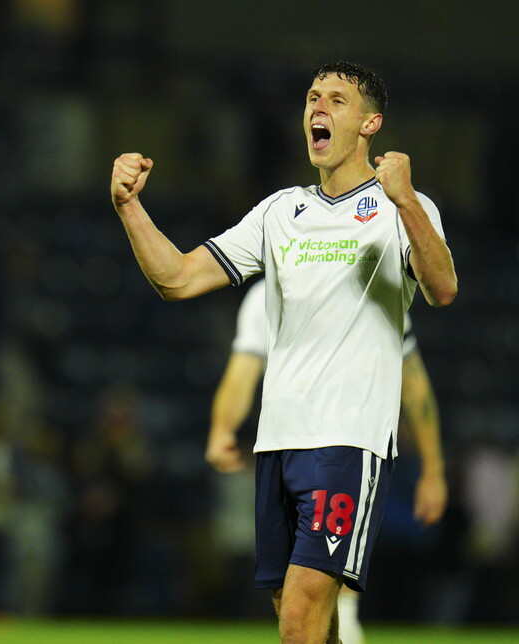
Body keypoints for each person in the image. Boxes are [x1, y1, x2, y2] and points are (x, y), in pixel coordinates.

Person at [111, 61, 457, 644]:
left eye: (337, 101)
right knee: (302, 622)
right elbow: (178, 279)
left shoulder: (402, 206)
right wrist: (128, 207)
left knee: (300, 615)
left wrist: (406, 204)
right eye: (312, 98)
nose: (318, 108)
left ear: (371, 123)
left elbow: (443, 288)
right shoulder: (279, 212)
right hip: (278, 442)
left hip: (348, 440)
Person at [206, 279, 448, 644]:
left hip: (349, 442)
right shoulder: (266, 295)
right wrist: (222, 428)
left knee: (318, 585)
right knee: (290, 594)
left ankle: (349, 624)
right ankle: (344, 629)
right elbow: (243, 370)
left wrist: (433, 469)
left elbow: (412, 381)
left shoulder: (374, 287)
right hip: (284, 445)